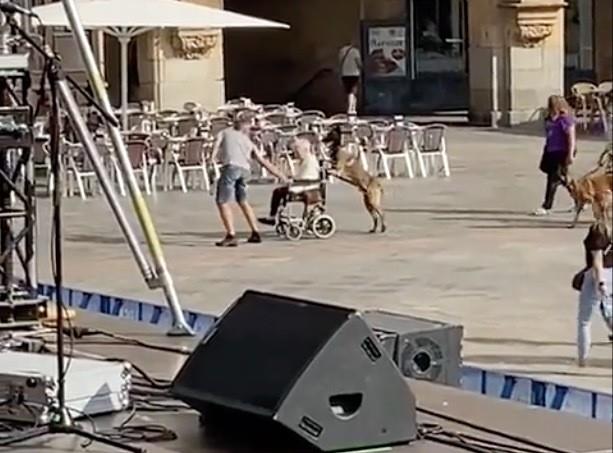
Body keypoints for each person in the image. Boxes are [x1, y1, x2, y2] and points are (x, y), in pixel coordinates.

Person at [211, 118, 287, 247]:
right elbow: (263, 161)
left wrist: (211, 161)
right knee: (242, 201)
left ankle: (231, 235)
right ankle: (255, 232)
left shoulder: (224, 132)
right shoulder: (248, 142)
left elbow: (215, 147)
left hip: (231, 167)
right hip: (245, 170)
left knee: (222, 201)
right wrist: (281, 176)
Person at [576, 198, 613, 367]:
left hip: (597, 276)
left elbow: (597, 261)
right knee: (609, 314)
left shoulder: (598, 230)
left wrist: (601, 283)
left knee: (585, 321)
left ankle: (582, 359)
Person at [258, 138, 320, 226]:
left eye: (297, 151)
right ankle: (275, 214)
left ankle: (273, 216)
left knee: (278, 192)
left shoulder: (309, 161)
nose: (296, 154)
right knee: (280, 191)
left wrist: (292, 181)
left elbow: (306, 177)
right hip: (304, 185)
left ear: (305, 150)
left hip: (305, 187)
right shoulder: (307, 160)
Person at [533, 95, 576, 216]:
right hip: (551, 150)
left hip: (562, 151)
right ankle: (580, 197)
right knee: (561, 178)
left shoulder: (565, 119)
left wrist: (570, 154)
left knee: (553, 179)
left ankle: (547, 205)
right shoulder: (549, 119)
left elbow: (571, 137)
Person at [338, 41, 362, 115]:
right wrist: (363, 68)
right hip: (354, 73)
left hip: (344, 74)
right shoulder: (355, 51)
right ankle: (351, 109)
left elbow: (340, 63)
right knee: (352, 92)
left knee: (347, 91)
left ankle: (349, 107)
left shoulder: (342, 51)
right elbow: (358, 63)